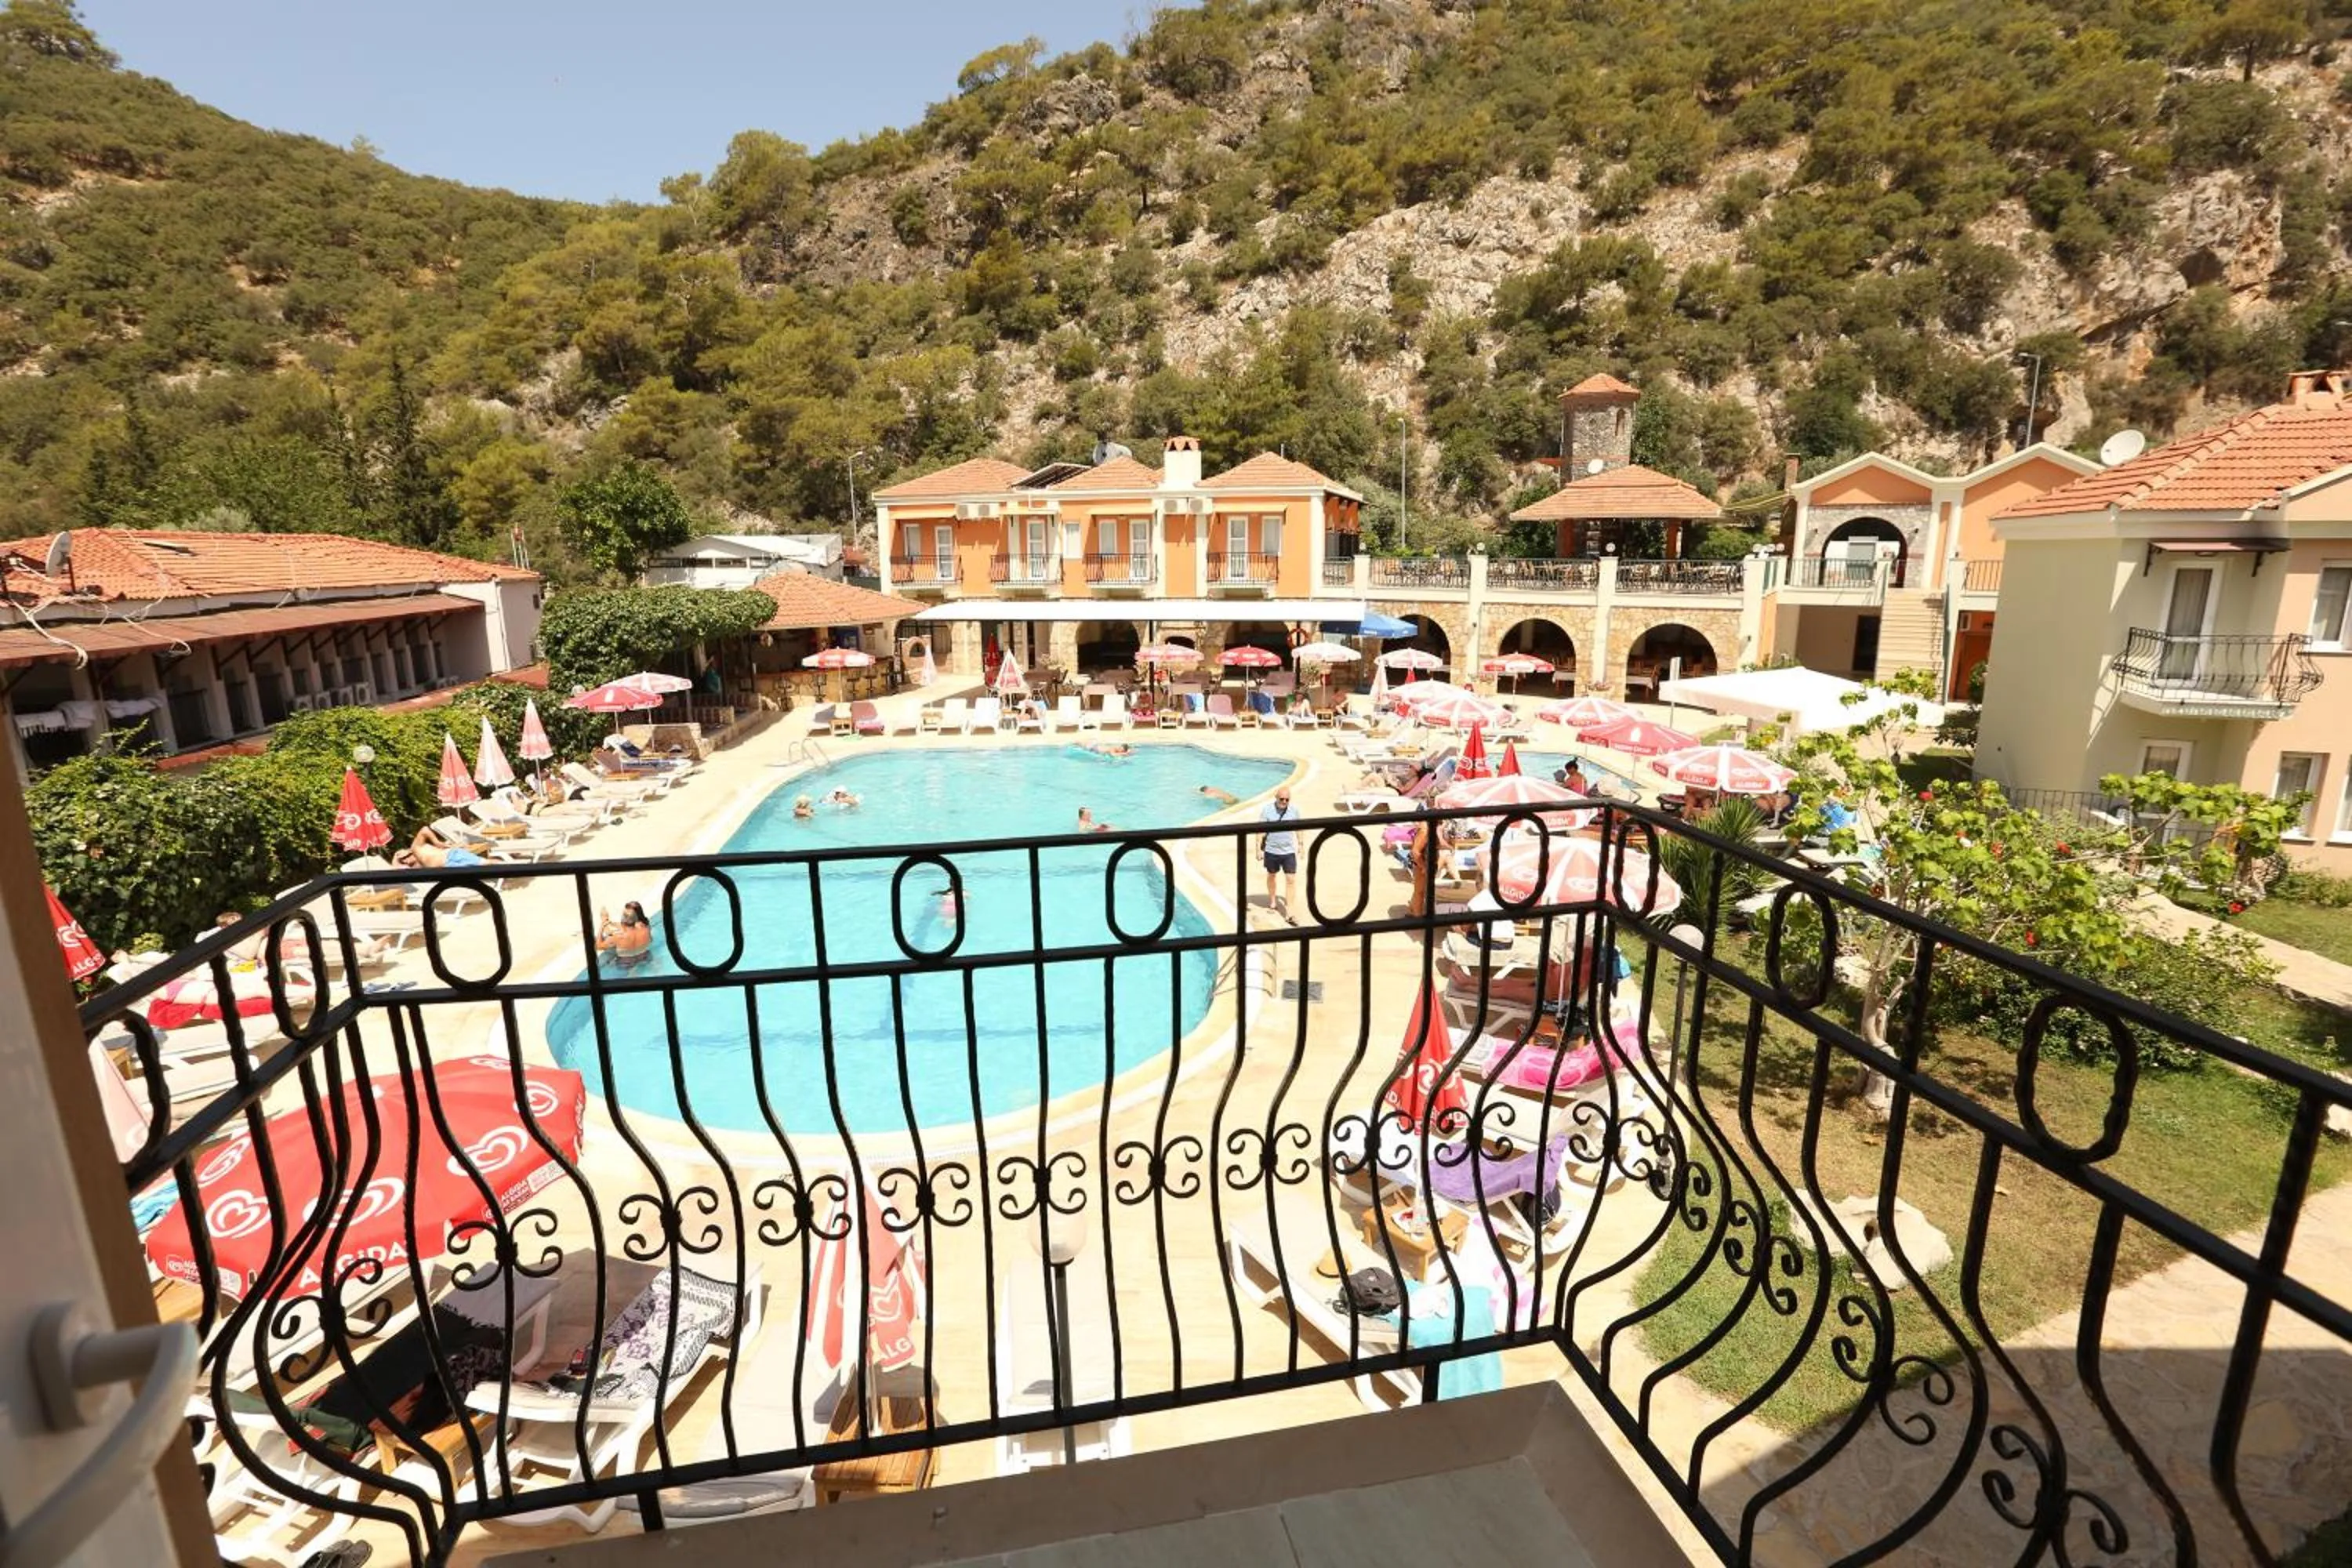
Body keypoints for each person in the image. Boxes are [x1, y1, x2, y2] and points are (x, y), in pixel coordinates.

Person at [1259, 786, 1300, 916]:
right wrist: (1258, 849)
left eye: (1287, 800)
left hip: (1288, 851)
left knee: (1291, 879)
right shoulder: (1267, 810)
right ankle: (1273, 901)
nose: (1284, 802)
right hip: (1271, 850)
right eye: (1282, 799)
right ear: (1276, 798)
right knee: (1272, 875)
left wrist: (1301, 844)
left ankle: (1290, 910)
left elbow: (1299, 828)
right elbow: (1259, 831)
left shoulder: (1294, 811)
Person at [396, 826, 485, 870]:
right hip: (449, 867)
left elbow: (424, 829)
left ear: (409, 852)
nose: (405, 861)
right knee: (479, 869)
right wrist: (396, 857)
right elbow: (395, 868)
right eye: (403, 861)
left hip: (452, 857)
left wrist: (437, 842)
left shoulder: (416, 848)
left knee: (486, 864)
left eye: (405, 857)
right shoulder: (416, 866)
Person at [597, 901, 653, 965]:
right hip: (645, 957)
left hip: (625, 963)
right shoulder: (645, 928)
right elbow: (650, 939)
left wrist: (602, 925)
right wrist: (611, 923)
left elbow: (599, 946)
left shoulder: (618, 937)